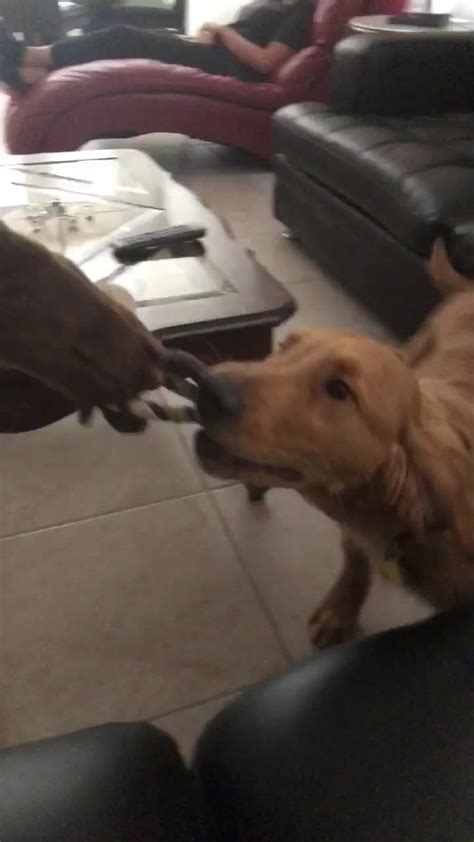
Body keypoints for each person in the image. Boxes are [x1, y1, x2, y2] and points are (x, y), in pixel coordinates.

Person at [0, 0, 314, 93]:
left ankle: (28, 58)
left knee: (120, 37)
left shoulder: (300, 13)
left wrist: (219, 30)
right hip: (208, 51)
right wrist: (207, 32)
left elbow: (264, 61)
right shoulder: (278, 5)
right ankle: (32, 73)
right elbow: (240, 37)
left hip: (221, 65)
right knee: (119, 39)